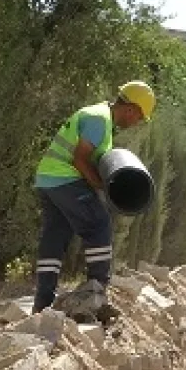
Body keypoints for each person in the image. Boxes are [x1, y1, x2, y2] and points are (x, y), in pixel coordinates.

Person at [30, 80, 156, 313]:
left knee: (55, 237)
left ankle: (42, 303)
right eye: (139, 117)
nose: (137, 123)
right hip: (65, 179)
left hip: (48, 178)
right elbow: (80, 158)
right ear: (131, 109)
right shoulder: (100, 120)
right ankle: (97, 291)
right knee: (98, 224)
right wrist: (100, 186)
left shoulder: (99, 118)